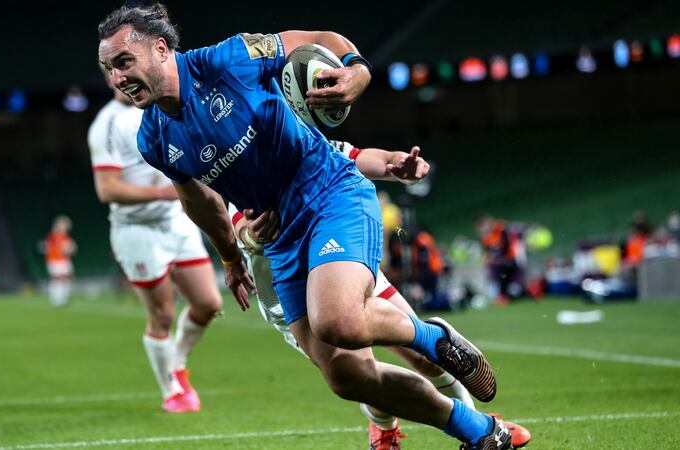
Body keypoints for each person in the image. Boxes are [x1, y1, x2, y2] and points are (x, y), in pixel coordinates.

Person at [98, 5, 512, 448]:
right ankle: (481, 433)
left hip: (330, 195)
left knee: (339, 321)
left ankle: (435, 338)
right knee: (347, 375)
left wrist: (358, 71)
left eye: (124, 62)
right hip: (281, 243)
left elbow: (319, 37)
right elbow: (198, 201)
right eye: (108, 69)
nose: (118, 78)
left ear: (161, 49)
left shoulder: (228, 59)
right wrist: (230, 257)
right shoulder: (153, 138)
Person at [230, 140, 531, 449]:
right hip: (290, 293)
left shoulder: (292, 131)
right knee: (358, 374)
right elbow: (230, 219)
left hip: (340, 259)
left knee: (424, 359)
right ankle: (386, 427)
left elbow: (356, 156)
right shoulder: (225, 153)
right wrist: (244, 240)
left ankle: (480, 427)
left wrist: (394, 162)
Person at [87, 72, 223, 413]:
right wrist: (162, 192)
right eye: (112, 73)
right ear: (108, 80)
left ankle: (175, 362)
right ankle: (171, 390)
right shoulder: (106, 125)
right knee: (162, 315)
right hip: (137, 229)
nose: (122, 78)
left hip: (176, 221)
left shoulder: (162, 107)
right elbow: (107, 189)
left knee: (208, 303)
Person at [44, 215, 76, 307]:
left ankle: (63, 297)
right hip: (54, 261)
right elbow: (61, 247)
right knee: (57, 279)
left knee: (66, 278)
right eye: (63, 225)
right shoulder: (53, 235)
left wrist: (71, 248)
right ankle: (56, 298)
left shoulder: (66, 237)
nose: (65, 227)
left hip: (64, 261)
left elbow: (70, 249)